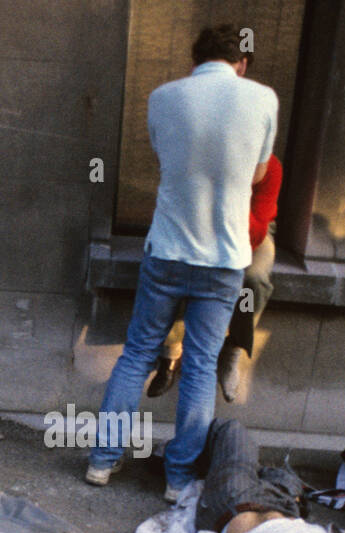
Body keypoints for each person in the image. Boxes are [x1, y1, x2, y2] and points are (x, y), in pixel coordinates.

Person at [86, 24, 278, 502]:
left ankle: (102, 462)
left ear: (194, 61)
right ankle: (177, 479)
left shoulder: (163, 97)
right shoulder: (263, 99)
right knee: (199, 366)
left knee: (136, 355)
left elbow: (166, 157)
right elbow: (258, 176)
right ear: (242, 63)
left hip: (168, 250)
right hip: (224, 258)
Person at [148, 153, 282, 403]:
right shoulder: (208, 157)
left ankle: (234, 347)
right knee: (184, 266)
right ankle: (170, 352)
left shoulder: (270, 168)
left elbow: (257, 231)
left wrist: (235, 196)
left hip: (252, 233)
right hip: (203, 230)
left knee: (253, 281)